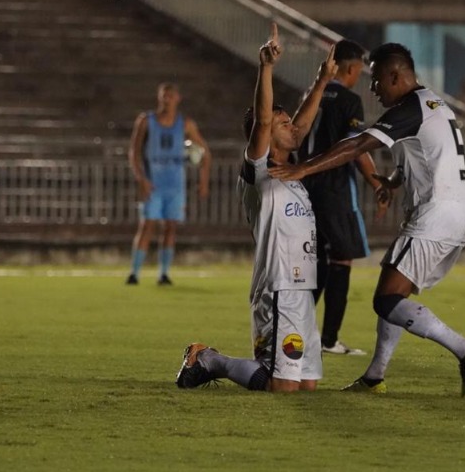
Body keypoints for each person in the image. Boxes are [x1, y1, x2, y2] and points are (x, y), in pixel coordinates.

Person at [269, 43, 465, 399]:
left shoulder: (411, 107)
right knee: (394, 289)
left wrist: (302, 167)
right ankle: (374, 377)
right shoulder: (430, 103)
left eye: (376, 80)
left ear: (395, 75)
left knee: (386, 299)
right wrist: (391, 182)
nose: (372, 88)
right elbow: (427, 154)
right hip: (452, 211)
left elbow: (358, 145)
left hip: (437, 215)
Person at [176, 24, 334, 392]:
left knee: (306, 385)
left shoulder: (291, 172)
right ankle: (210, 359)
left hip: (301, 286)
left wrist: (322, 80)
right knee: (282, 386)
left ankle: (214, 360)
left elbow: (301, 126)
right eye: (282, 123)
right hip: (276, 286)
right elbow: (263, 121)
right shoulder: (257, 169)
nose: (291, 127)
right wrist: (266, 67)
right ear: (263, 136)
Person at [297, 38, 382, 356]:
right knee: (341, 258)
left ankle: (301, 330)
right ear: (351, 67)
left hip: (306, 188)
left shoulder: (312, 93)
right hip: (335, 190)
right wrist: (377, 184)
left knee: (315, 261)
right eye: (359, 68)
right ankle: (330, 339)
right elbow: (355, 149)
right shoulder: (348, 100)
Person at [126, 82, 211, 285]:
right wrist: (141, 178)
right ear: (159, 97)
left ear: (178, 99)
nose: (167, 100)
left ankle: (163, 273)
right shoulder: (146, 121)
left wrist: (203, 181)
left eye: (171, 96)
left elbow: (206, 153)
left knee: (170, 226)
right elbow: (134, 152)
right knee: (147, 224)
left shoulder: (185, 124)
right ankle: (134, 273)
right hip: (152, 181)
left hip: (174, 184)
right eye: (164, 96)